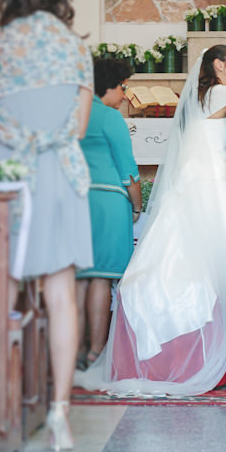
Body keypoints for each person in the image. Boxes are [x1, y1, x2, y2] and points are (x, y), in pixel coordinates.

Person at [76, 43, 226, 396]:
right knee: (206, 262)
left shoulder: (212, 94)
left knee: (204, 260)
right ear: (217, 65)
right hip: (205, 184)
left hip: (205, 180)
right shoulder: (218, 92)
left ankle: (207, 346)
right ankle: (202, 350)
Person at [0, 0, 94, 452]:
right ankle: (59, 412)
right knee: (61, 293)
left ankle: (1, 404)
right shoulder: (74, 47)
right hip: (60, 177)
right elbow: (80, 127)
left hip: (11, 177)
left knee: (7, 293)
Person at [76, 57, 141, 366]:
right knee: (101, 279)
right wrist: (138, 204)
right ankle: (96, 350)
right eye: (123, 87)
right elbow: (128, 171)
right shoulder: (111, 117)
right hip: (106, 200)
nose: (125, 95)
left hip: (76, 201)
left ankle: (73, 348)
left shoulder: (74, 114)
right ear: (109, 87)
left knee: (78, 278)